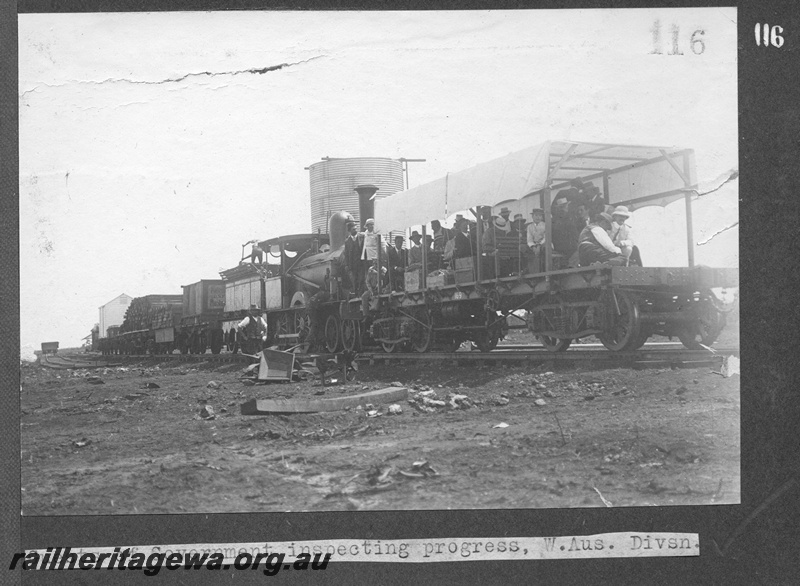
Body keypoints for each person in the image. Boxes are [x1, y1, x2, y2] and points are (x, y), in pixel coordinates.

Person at [526, 208, 546, 274]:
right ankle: (532, 272)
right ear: (532, 216)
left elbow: (546, 238)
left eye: (540, 216)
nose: (538, 217)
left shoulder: (545, 225)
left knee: (544, 250)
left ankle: (544, 270)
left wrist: (539, 245)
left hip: (544, 244)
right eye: (536, 215)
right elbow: (529, 239)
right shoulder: (529, 227)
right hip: (534, 245)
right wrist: (533, 246)